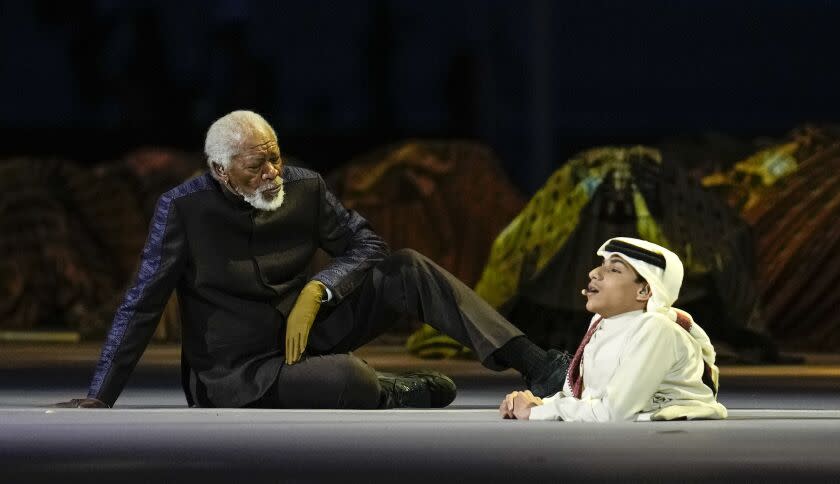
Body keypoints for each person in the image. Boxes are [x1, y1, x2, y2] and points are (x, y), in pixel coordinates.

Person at [57, 110, 570, 410]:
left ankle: (537, 365)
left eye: (276, 156)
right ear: (220, 170)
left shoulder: (304, 187)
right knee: (348, 378)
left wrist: (317, 289)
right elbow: (142, 302)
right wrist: (102, 395)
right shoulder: (183, 209)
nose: (273, 172)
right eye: (257, 165)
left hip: (310, 331)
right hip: (239, 372)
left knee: (409, 267)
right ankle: (389, 391)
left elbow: (368, 246)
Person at [499, 237, 727, 422]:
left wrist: (537, 413)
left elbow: (613, 412)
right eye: (601, 265)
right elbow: (588, 400)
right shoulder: (602, 323)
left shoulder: (657, 329)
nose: (594, 273)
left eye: (614, 269)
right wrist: (534, 402)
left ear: (644, 290)